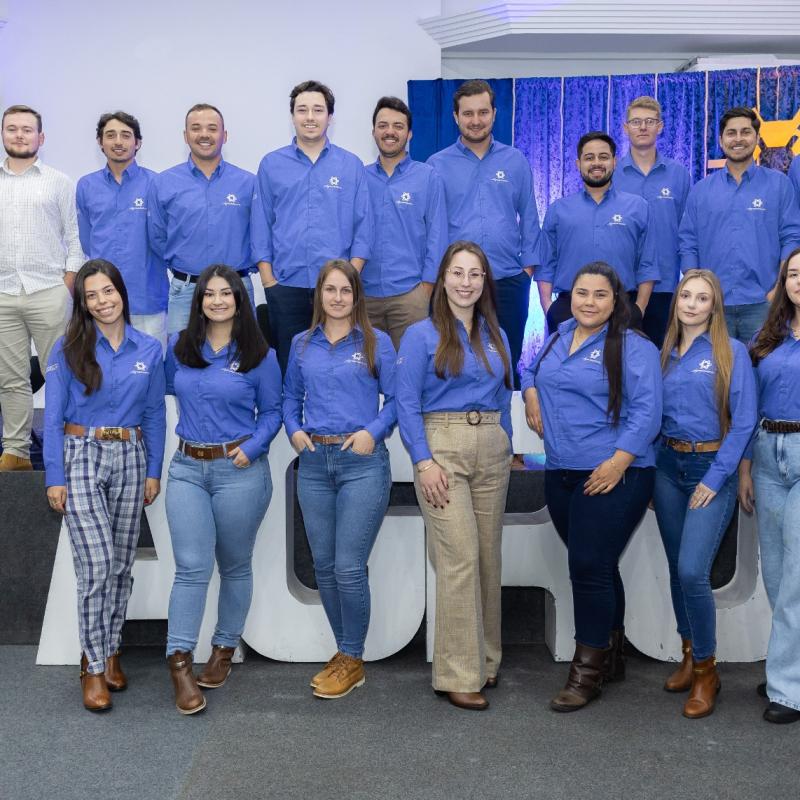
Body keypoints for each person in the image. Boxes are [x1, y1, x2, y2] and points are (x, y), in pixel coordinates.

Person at [521, 261, 662, 712]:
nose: (589, 302)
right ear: (570, 296)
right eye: (582, 292)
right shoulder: (558, 336)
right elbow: (531, 371)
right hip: (561, 471)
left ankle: (586, 674)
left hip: (615, 473)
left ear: (616, 300)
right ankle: (611, 656)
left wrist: (618, 463)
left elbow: (648, 411)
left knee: (587, 565)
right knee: (598, 564)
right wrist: (530, 392)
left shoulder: (633, 346)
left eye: (601, 294)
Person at [43, 259, 166, 711]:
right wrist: (54, 477)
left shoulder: (149, 349)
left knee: (120, 566)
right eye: (91, 295)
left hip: (131, 456)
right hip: (81, 455)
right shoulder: (67, 348)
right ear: (83, 302)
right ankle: (93, 666)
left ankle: (111, 649)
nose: (101, 301)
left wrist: (153, 470)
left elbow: (155, 414)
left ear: (121, 293)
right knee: (96, 565)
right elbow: (52, 418)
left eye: (107, 291)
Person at [396, 240, 513, 711]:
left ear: (484, 282)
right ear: (443, 278)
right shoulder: (420, 335)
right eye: (458, 273)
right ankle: (457, 674)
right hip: (441, 447)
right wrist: (423, 461)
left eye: (475, 274)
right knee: (459, 556)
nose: (466, 282)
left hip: (491, 447)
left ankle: (485, 660)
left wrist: (505, 441)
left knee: (487, 557)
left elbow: (503, 394)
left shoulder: (495, 334)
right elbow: (406, 403)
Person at [164, 264, 281, 715]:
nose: (217, 300)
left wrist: (252, 448)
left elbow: (273, 411)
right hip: (187, 470)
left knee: (234, 565)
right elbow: (157, 397)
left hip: (239, 472)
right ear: (199, 302)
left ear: (239, 299)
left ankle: (223, 648)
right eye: (209, 294)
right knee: (191, 568)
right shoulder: (180, 348)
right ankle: (179, 663)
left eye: (225, 293)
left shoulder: (259, 354)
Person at [283, 259, 396, 699]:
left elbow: (398, 400)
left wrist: (373, 431)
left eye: (345, 290)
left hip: (361, 463)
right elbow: (290, 397)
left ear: (356, 296)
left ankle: (351, 656)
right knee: (325, 567)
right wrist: (294, 429)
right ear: (319, 295)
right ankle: (346, 656)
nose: (337, 297)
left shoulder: (376, 342)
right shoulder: (301, 344)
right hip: (314, 463)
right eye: (329, 290)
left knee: (348, 566)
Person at [652, 269, 757, 719]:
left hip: (711, 468)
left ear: (715, 307)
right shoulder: (663, 354)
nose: (691, 304)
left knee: (693, 570)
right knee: (677, 571)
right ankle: (688, 653)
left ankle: (706, 672)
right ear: (676, 301)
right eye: (685, 296)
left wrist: (716, 478)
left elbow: (745, 420)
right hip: (667, 467)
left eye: (702, 298)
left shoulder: (731, 351)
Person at [251, 80, 372, 373]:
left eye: (318, 110)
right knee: (289, 366)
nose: (310, 117)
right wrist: (268, 281)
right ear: (292, 116)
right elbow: (260, 224)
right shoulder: (271, 164)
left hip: (336, 289)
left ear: (330, 117)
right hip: (286, 286)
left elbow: (364, 227)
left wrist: (350, 278)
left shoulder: (351, 165)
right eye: (302, 110)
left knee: (337, 365)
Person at [427, 80, 539, 386]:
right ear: (456, 117)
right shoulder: (436, 165)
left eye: (483, 112)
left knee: (505, 363)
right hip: (457, 285)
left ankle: (503, 417)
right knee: (456, 363)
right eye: (468, 113)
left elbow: (530, 217)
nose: (475, 120)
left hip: (508, 280)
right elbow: (433, 226)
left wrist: (527, 271)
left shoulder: (515, 160)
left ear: (494, 114)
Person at [0, 104, 84, 471]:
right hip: (3, 293)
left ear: (41, 137)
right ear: (3, 134)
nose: (19, 135)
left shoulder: (58, 181)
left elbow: (75, 238)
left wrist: (67, 285)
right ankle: (16, 452)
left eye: (26, 129)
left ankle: (66, 448)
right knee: (11, 379)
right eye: (12, 128)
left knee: (60, 374)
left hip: (49, 291)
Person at [739, 246, 800, 725]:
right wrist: (744, 467)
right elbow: (749, 406)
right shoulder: (768, 334)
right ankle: (789, 666)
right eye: (793, 274)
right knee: (777, 576)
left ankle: (787, 689)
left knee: (797, 576)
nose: (799, 281)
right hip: (766, 451)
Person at [679, 106, 800, 344]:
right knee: (715, 366)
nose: (738, 139)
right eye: (731, 133)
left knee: (764, 365)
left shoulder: (779, 185)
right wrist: (696, 291)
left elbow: (791, 238)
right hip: (713, 306)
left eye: (745, 132)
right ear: (721, 140)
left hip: (764, 304)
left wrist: (778, 289)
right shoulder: (701, 191)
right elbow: (688, 242)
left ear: (756, 138)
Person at [148, 104, 256, 335]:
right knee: (181, 354)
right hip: (186, 290)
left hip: (237, 289)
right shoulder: (163, 183)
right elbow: (157, 236)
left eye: (212, 128)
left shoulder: (248, 183)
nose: (204, 134)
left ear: (224, 136)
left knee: (245, 353)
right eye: (196, 128)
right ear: (185, 135)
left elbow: (259, 235)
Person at [537, 132, 658, 334]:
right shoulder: (558, 210)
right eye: (589, 157)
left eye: (603, 157)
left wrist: (639, 309)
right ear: (578, 164)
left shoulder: (638, 207)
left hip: (623, 308)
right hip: (569, 309)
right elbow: (546, 264)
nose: (596, 163)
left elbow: (648, 264)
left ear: (614, 162)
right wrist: (549, 307)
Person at [77, 111, 168, 348]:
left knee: (152, 362)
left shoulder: (156, 184)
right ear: (100, 142)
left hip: (146, 298)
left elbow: (163, 240)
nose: (118, 141)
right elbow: (87, 241)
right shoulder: (86, 186)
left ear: (138, 143)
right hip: (101, 302)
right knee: (103, 364)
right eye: (110, 135)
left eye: (126, 135)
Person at [363, 96, 447, 350]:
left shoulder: (428, 177)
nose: (390, 132)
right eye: (383, 125)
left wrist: (426, 289)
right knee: (366, 368)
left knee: (412, 368)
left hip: (411, 297)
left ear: (409, 133)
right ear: (374, 132)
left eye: (398, 126)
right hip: (364, 298)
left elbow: (438, 236)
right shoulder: (359, 178)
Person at [615, 96, 691, 348]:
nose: (643, 127)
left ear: (660, 126)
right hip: (621, 284)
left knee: (663, 357)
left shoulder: (678, 174)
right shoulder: (612, 174)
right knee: (617, 359)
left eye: (649, 121)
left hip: (665, 284)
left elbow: (687, 230)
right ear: (626, 127)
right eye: (636, 122)